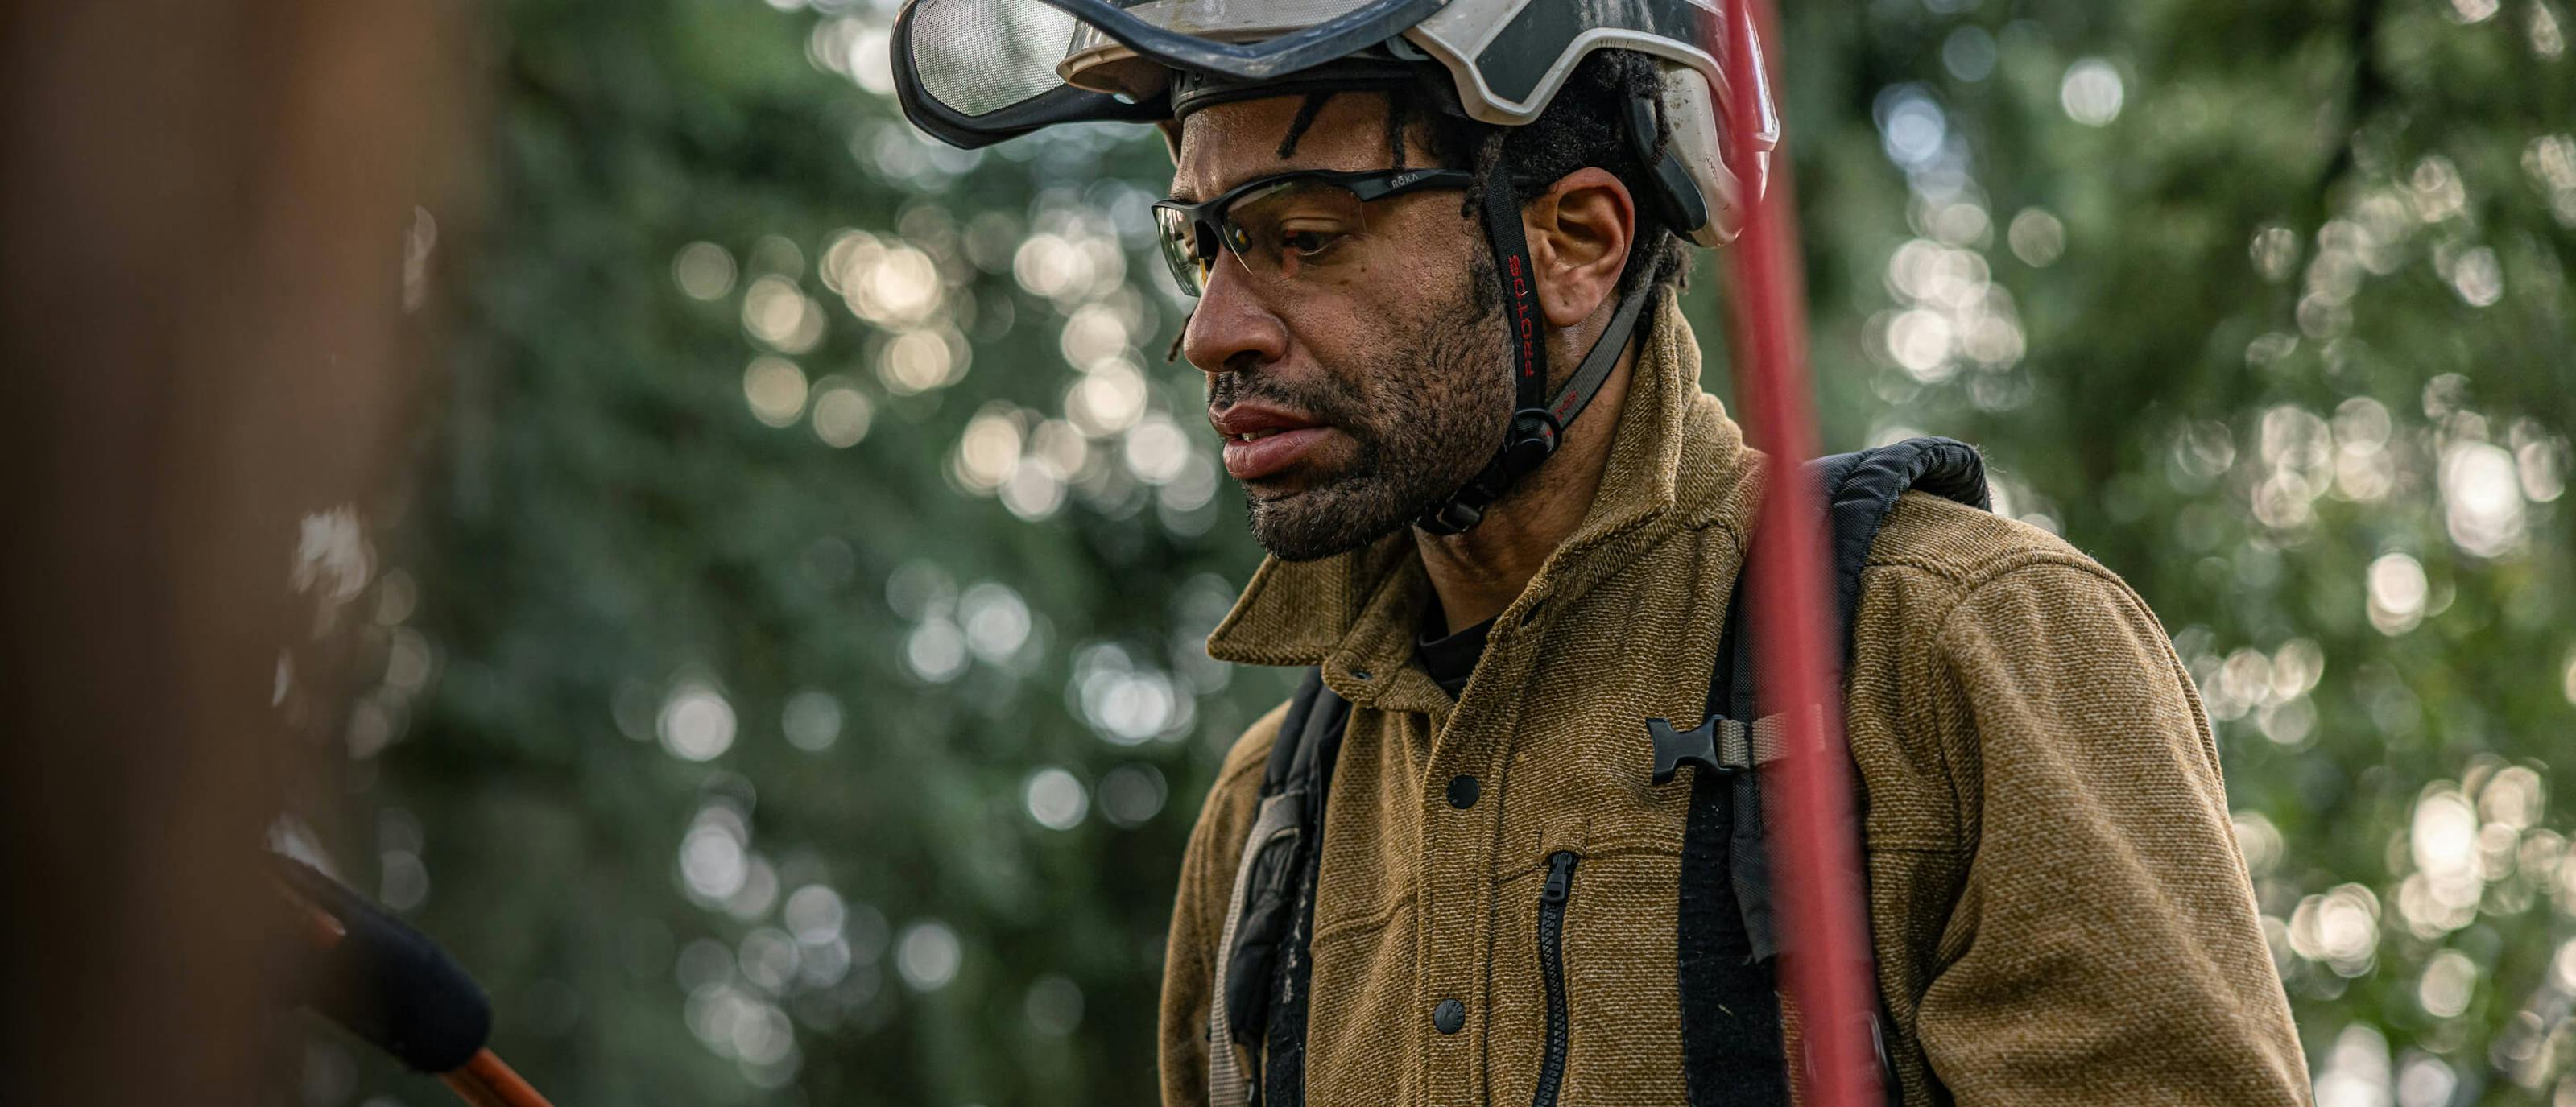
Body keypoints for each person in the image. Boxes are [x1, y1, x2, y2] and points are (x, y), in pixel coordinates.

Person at [897, 4, 2307, 1104]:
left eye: (1305, 239)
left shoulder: (1962, 653)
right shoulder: (1268, 819)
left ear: (1575, 241)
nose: (1215, 331)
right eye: (1202, 247)